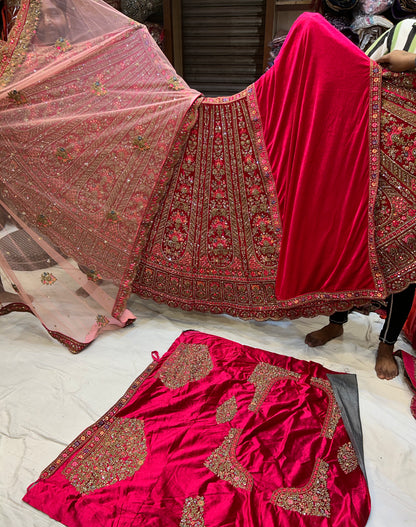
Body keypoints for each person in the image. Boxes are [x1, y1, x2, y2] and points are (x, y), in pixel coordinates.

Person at [1, 3, 415, 352]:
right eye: (45, 13)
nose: (51, 20)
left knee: (356, 222)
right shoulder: (37, 57)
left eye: (57, 11)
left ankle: (380, 342)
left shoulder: (383, 109)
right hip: (87, 142)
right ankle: (95, 271)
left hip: (357, 116)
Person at [306, 46, 416, 380]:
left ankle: (386, 342)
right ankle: (337, 322)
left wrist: (412, 62)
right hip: (385, 126)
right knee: (352, 238)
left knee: (406, 251)